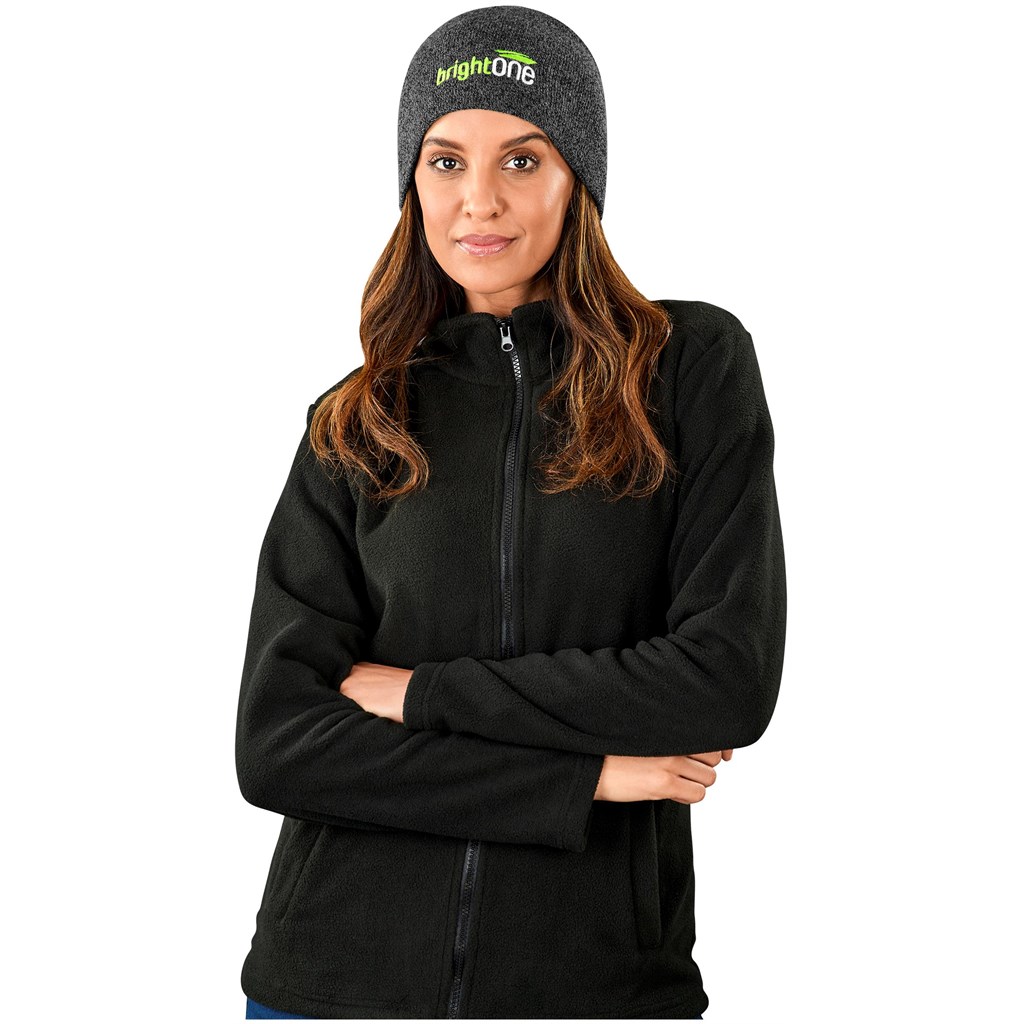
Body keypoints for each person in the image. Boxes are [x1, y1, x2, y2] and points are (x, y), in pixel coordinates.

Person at [235, 5, 786, 1020]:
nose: (478, 200)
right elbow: (279, 742)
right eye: (445, 161)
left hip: (592, 987)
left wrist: (421, 694)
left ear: (580, 179)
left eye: (522, 161)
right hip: (331, 984)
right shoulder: (357, 420)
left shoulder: (687, 370)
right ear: (412, 182)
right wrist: (583, 780)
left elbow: (723, 679)